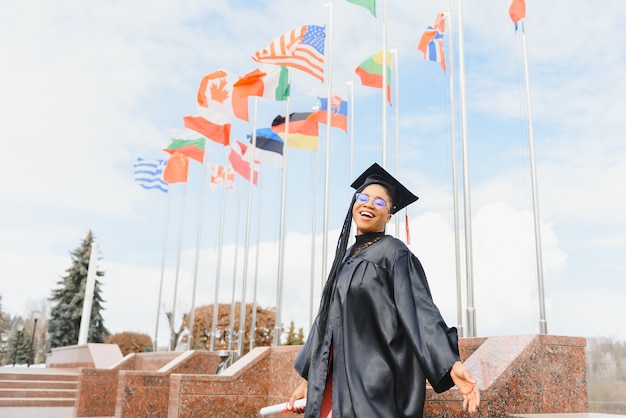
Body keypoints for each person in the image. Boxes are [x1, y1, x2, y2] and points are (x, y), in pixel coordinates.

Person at [285, 163, 480, 417]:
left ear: (389, 216)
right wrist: (311, 379)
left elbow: (421, 311)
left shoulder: (394, 254)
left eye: (379, 202)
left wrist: (450, 363)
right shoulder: (345, 258)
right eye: (362, 198)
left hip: (375, 386)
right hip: (340, 385)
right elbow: (327, 322)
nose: (368, 204)